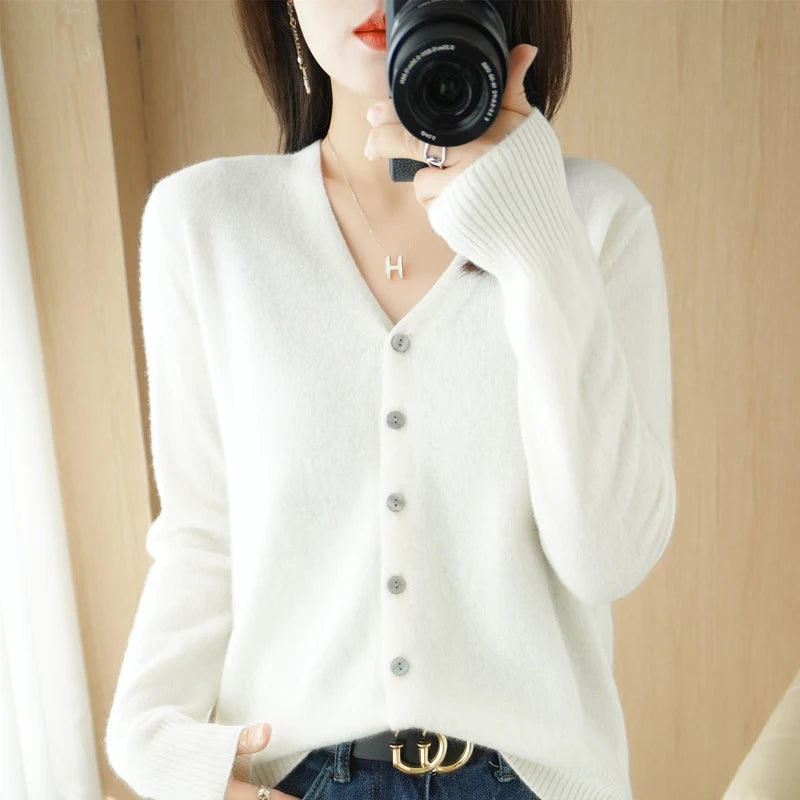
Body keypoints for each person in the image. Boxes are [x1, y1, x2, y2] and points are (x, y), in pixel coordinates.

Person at [105, 1, 677, 799]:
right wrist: (154, 746)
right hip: (297, 778)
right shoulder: (206, 223)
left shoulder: (594, 218)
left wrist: (536, 239)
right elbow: (203, 536)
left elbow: (607, 556)